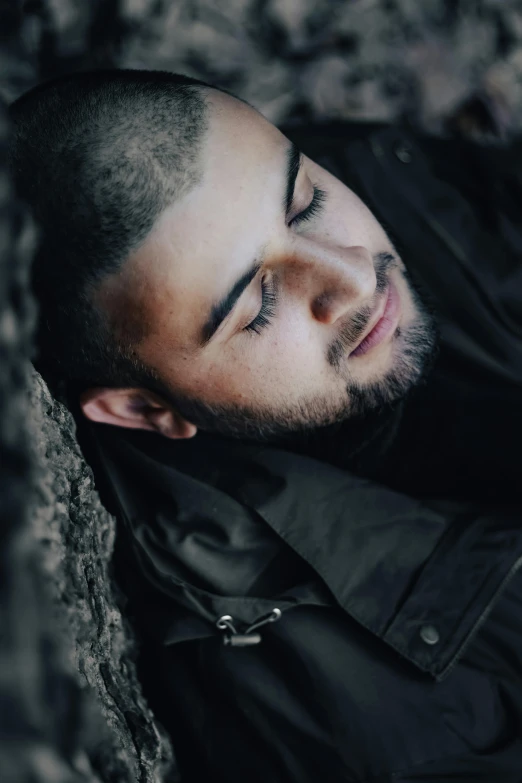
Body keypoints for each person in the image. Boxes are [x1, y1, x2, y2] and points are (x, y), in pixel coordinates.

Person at [9, 69, 522, 782]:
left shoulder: (367, 176)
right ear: (143, 408)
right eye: (255, 306)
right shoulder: (338, 712)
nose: (351, 276)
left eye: (305, 202)